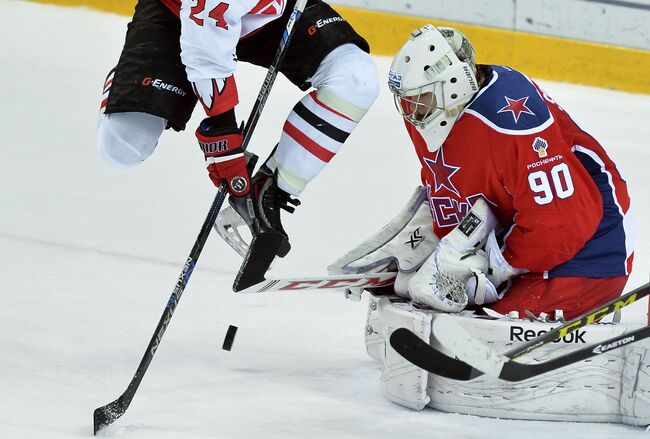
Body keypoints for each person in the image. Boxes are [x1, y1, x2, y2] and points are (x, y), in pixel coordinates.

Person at [333, 24, 633, 320]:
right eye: (405, 100)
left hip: (593, 248)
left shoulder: (510, 122)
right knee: (438, 304)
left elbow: (563, 220)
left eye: (419, 99)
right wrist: (436, 242)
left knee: (481, 323)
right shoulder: (433, 112)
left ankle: (584, 306)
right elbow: (463, 189)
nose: (410, 111)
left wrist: (493, 262)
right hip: (526, 229)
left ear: (453, 85)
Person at [97, 0, 379, 287]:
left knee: (356, 78)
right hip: (178, 13)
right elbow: (204, 26)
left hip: (271, 15)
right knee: (124, 144)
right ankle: (127, 84)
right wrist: (222, 124)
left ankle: (267, 193)